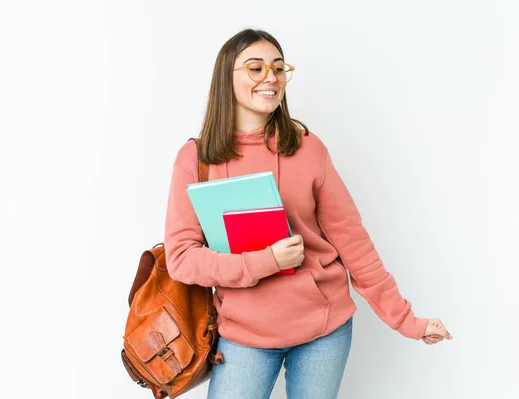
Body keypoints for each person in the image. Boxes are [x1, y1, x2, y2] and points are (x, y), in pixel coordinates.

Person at [164, 28, 452, 399]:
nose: (271, 77)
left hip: (324, 330)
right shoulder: (196, 159)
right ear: (226, 77)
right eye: (255, 68)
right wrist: (264, 261)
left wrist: (405, 320)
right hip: (243, 334)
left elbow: (353, 242)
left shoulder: (308, 149)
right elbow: (182, 259)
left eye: (278, 68)